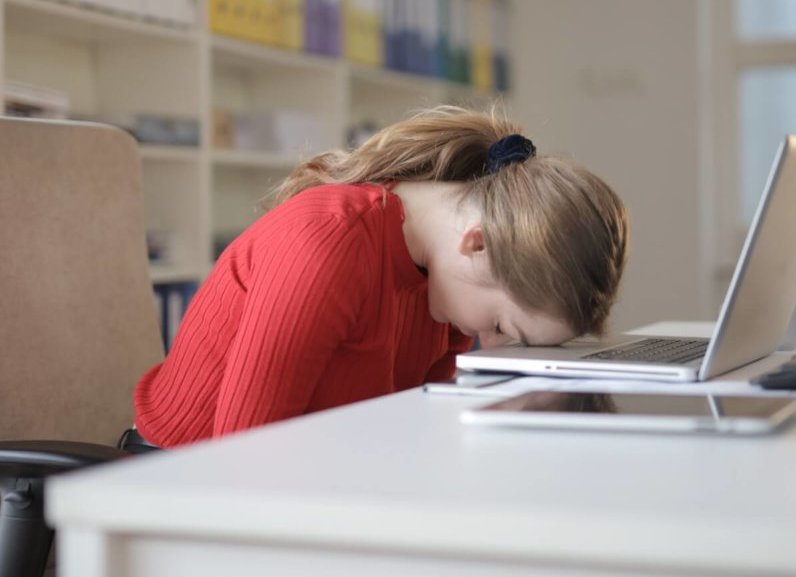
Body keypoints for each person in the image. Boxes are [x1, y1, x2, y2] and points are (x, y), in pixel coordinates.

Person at [131, 105, 630, 448]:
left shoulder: (446, 284)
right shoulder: (328, 242)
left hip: (313, 472)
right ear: (477, 244)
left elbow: (410, 431)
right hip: (180, 482)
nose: (492, 346)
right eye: (504, 329)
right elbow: (243, 459)